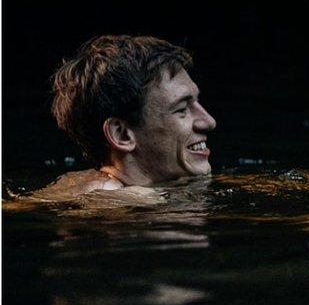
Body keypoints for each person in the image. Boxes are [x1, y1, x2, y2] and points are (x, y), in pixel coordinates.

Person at [33, 35, 217, 200]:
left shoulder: (81, 184)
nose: (209, 122)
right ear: (122, 134)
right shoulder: (124, 204)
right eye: (182, 109)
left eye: (196, 103)